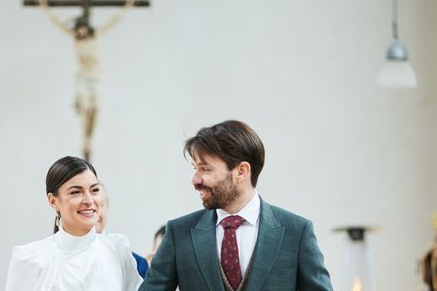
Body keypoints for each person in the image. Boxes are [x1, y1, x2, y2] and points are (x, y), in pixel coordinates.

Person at [140, 120, 333, 291]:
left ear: (241, 171)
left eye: (205, 169)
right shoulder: (178, 232)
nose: (195, 180)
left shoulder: (297, 232)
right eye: (195, 169)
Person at [5, 156, 142, 290]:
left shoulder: (117, 250)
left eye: (94, 190)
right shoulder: (30, 258)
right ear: (53, 201)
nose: (89, 200)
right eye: (76, 192)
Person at [38, 0, 135, 159]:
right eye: (78, 29)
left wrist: (126, 8)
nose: (80, 32)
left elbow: (113, 21)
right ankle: (85, 141)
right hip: (82, 77)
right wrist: (46, 9)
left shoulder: (95, 36)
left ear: (86, 28)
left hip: (96, 78)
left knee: (95, 109)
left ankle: (90, 139)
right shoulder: (75, 39)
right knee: (84, 108)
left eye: (82, 29)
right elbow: (58, 24)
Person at [96, 183, 149, 278]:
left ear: (107, 207)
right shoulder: (62, 256)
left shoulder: (136, 264)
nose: (92, 211)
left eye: (100, 204)